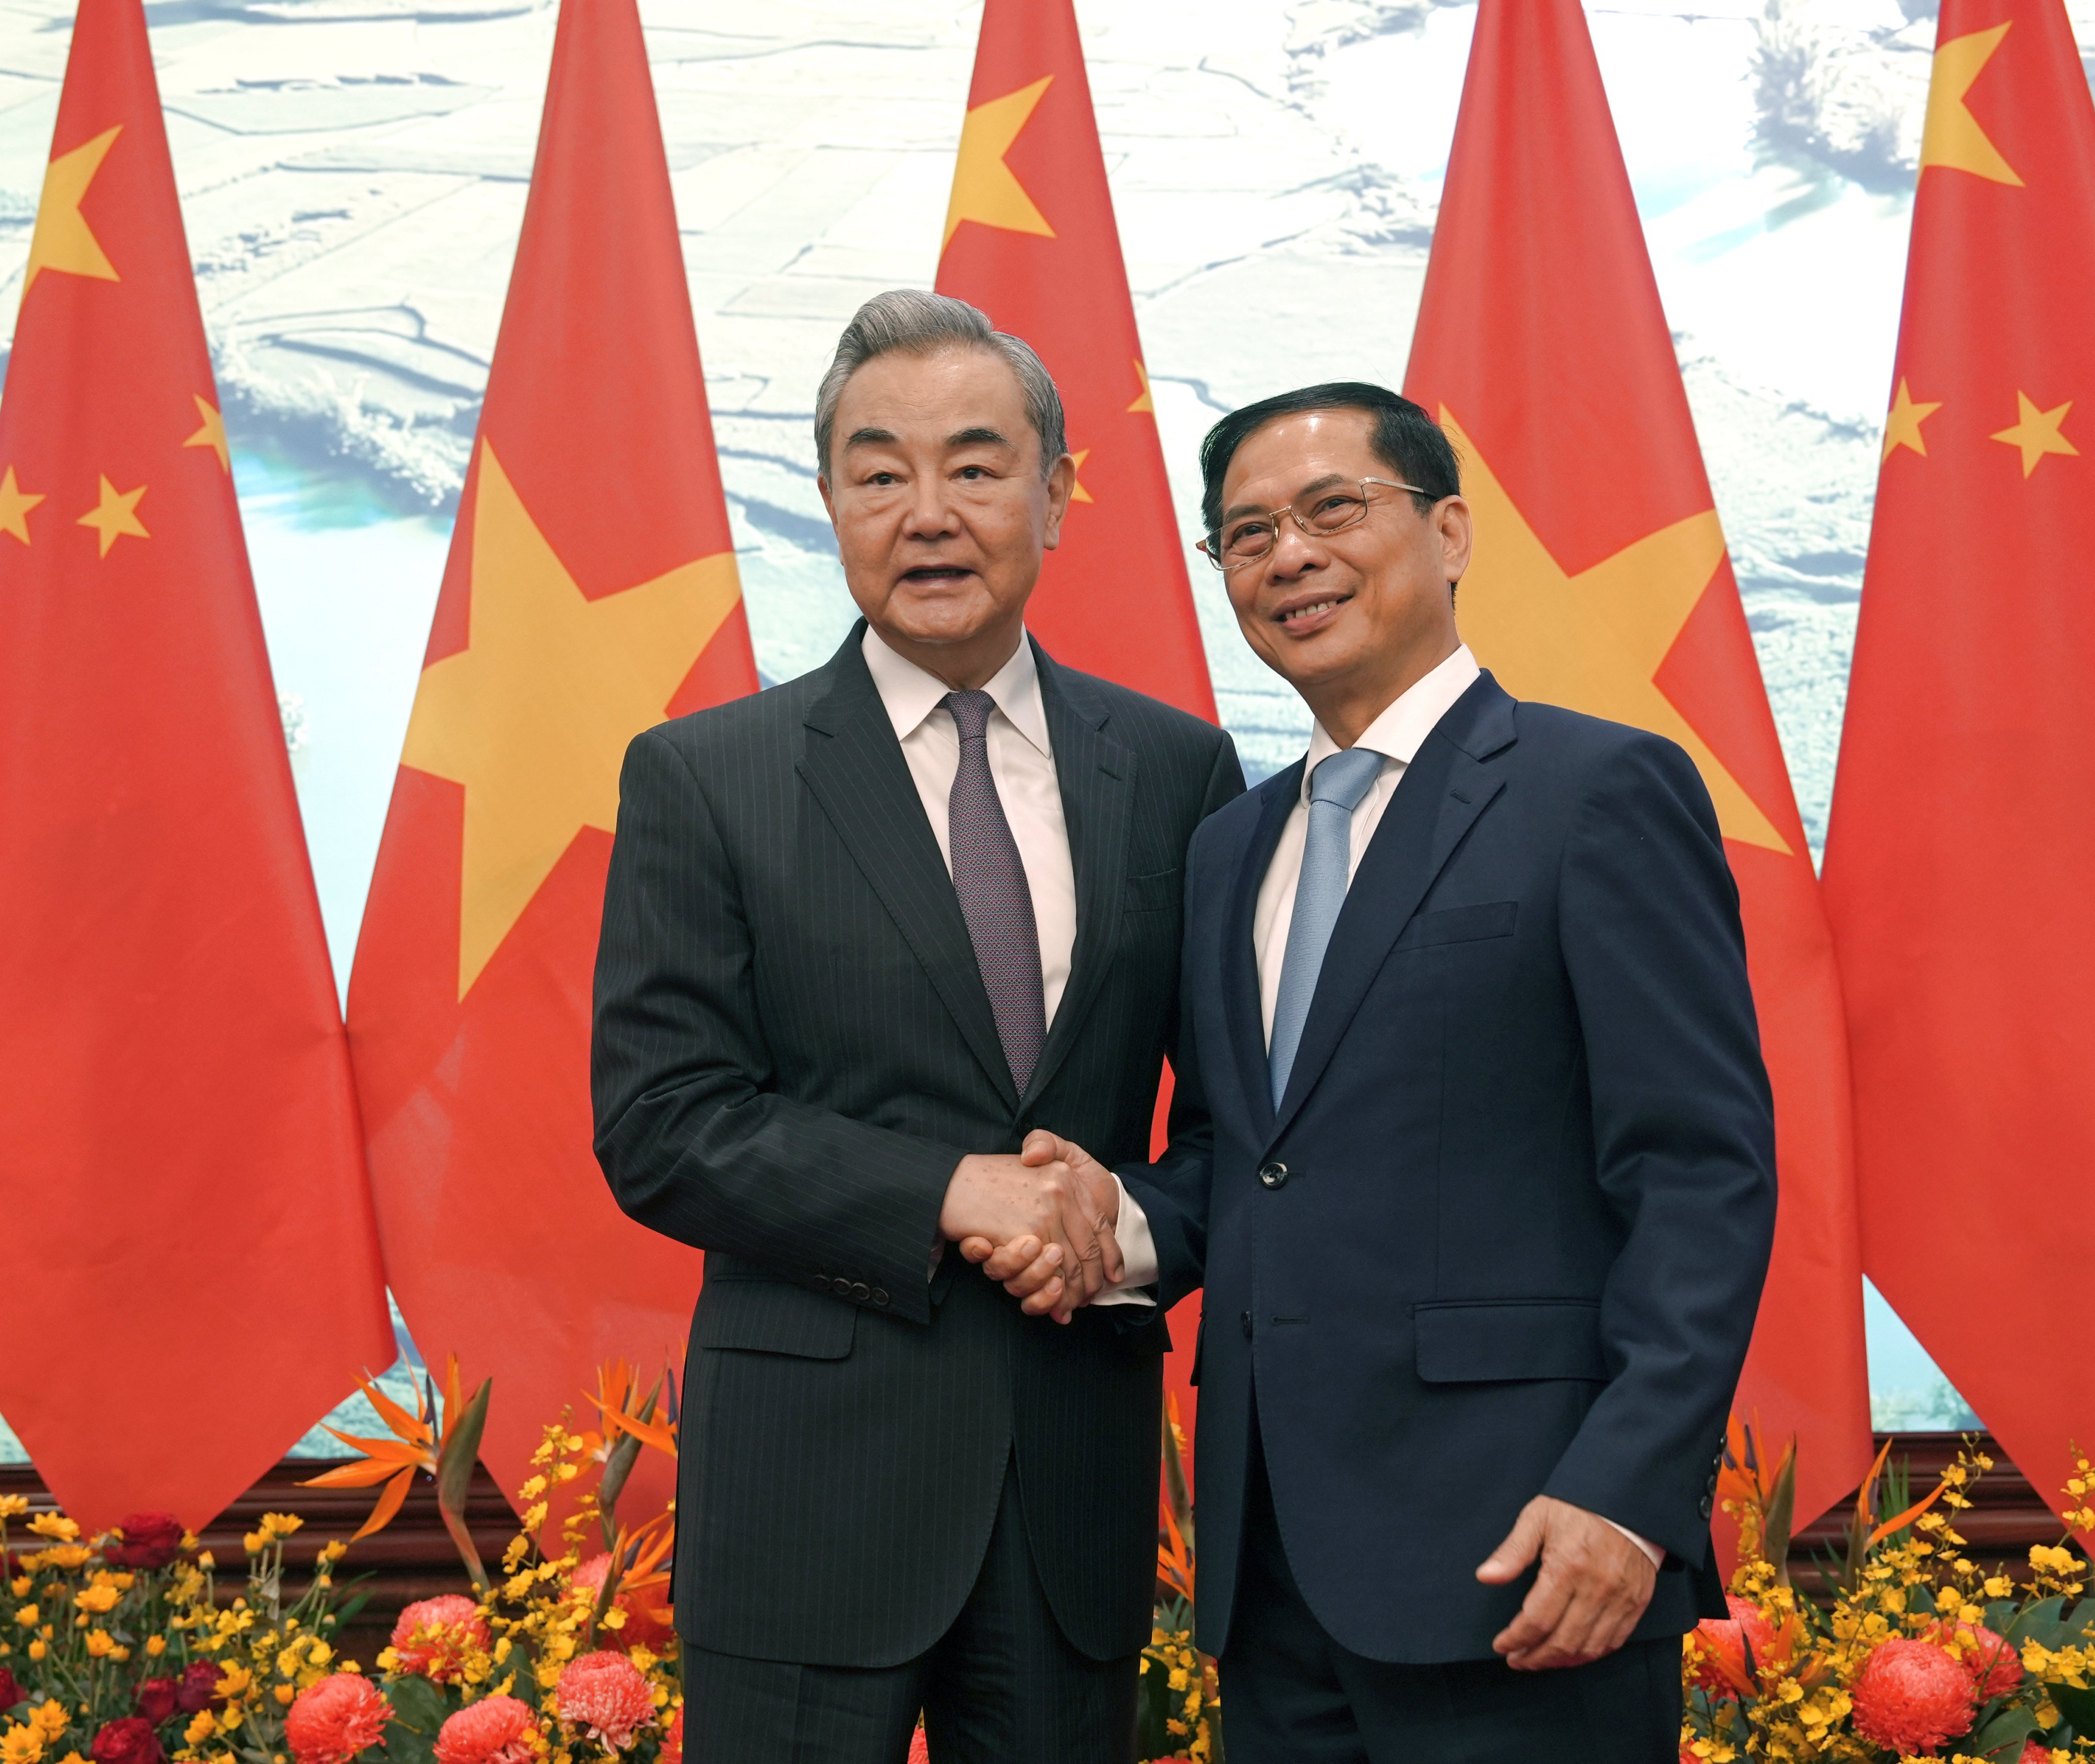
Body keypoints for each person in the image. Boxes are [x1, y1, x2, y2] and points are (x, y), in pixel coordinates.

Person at [988, 382, 1775, 1760]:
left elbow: (1698, 1173)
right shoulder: (1230, 844)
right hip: (1275, 1576)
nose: (1287, 555)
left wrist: (1626, 1490)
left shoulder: (1595, 792)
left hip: (1529, 1557)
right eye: (1242, 534)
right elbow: (1246, 1160)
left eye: (1330, 509)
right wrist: (1102, 1219)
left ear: (1451, 530)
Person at [589, 289, 1242, 1763]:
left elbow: (1232, 1135)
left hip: (1070, 1486)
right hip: (808, 1498)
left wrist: (1114, 1227)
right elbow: (660, 1123)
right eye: (878, 472)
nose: (926, 512)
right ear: (827, 502)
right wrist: (954, 1191)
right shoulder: (711, 778)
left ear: (1056, 494)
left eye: (975, 464)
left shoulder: (1173, 768)